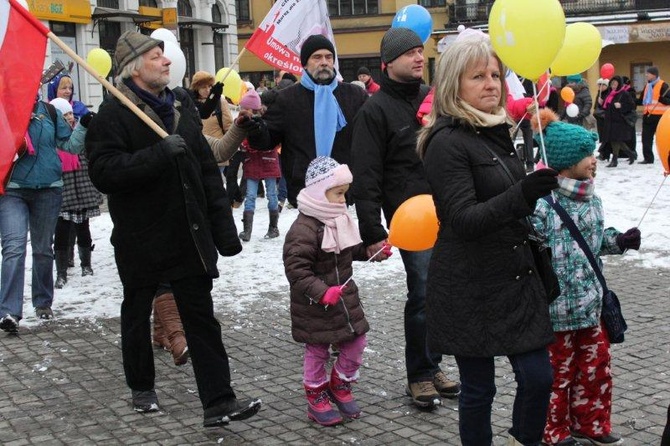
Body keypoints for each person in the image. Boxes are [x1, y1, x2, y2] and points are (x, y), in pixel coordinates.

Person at [85, 31, 261, 425]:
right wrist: (155, 155)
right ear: (133, 67)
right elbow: (103, 171)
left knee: (201, 318)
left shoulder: (180, 104)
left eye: (165, 55)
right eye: (155, 56)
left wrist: (223, 231)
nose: (166, 61)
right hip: (141, 236)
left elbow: (203, 166)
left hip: (187, 233)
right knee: (136, 313)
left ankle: (219, 402)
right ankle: (142, 386)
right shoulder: (114, 114)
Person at [415, 34, 557, 445]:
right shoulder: (446, 142)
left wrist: (533, 192)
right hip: (470, 285)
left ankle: (526, 437)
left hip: (514, 278)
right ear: (453, 84)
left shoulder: (494, 131)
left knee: (538, 377)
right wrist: (522, 194)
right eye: (478, 76)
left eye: (495, 74)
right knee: (480, 391)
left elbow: (509, 202)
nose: (491, 84)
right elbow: (462, 219)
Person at [351, 27, 460, 409]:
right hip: (411, 219)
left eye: (421, 51)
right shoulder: (374, 110)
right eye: (410, 52)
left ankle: (435, 364)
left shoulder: (434, 98)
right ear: (389, 61)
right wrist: (372, 231)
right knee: (423, 292)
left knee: (446, 292)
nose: (419, 58)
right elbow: (365, 176)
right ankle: (419, 374)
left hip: (450, 209)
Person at [529, 109, 640, 446]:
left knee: (596, 371)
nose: (594, 160)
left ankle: (591, 423)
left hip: (591, 308)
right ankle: (555, 430)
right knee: (558, 376)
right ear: (565, 162)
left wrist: (617, 240)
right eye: (587, 155)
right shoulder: (542, 205)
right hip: (556, 313)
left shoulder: (593, 199)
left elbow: (592, 242)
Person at [283, 156, 388, 426]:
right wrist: (321, 292)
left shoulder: (339, 219)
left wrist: (370, 251)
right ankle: (315, 395)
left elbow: (349, 250)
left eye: (344, 194)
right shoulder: (303, 229)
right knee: (317, 351)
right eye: (338, 194)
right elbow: (297, 270)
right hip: (315, 305)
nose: (343, 200)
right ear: (321, 191)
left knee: (357, 342)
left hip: (344, 301)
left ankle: (340, 384)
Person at [0, 96, 89, 332]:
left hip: (49, 189)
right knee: (13, 248)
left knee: (42, 249)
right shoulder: (4, 109)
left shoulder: (49, 112)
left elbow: (70, 146)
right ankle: (9, 311)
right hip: (13, 190)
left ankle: (42, 302)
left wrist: (83, 125)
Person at [247, 34, 368, 207]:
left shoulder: (354, 96)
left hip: (344, 191)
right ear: (305, 63)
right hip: (304, 191)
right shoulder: (287, 99)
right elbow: (267, 141)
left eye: (328, 57)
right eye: (317, 57)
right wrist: (256, 129)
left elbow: (368, 140)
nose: (324, 62)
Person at [49, 98, 103, 287]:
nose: (69, 118)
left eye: (70, 113)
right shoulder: (54, 137)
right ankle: (61, 272)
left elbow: (88, 153)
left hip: (82, 186)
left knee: (84, 228)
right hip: (64, 190)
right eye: (64, 115)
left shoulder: (79, 133)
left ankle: (86, 264)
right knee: (61, 231)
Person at [237, 89, 281, 241]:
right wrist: (246, 146)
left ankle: (273, 227)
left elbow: (275, 139)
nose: (246, 110)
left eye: (248, 108)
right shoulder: (242, 122)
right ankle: (247, 230)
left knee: (272, 194)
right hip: (252, 163)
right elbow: (239, 139)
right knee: (250, 196)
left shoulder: (269, 120)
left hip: (268, 161)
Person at [602, 76, 637, 168]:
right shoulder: (610, 93)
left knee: (615, 140)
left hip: (619, 121)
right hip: (610, 121)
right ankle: (630, 154)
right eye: (612, 84)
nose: (613, 86)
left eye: (615, 84)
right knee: (615, 140)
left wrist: (621, 105)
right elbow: (606, 106)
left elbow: (632, 105)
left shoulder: (624, 93)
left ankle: (615, 160)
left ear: (619, 84)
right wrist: (601, 102)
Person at [637, 66, 670, 164]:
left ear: (654, 75)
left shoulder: (664, 85)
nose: (646, 75)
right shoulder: (647, 86)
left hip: (660, 117)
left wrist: (663, 100)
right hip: (648, 115)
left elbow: (669, 100)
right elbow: (641, 100)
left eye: (648, 73)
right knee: (646, 138)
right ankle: (648, 158)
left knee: (663, 139)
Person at [594, 77, 611, 159]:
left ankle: (604, 154)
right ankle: (603, 153)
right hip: (599, 118)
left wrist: (602, 102)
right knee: (601, 136)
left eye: (603, 85)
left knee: (605, 137)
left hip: (605, 118)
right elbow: (596, 105)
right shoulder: (599, 93)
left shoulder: (608, 93)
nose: (600, 86)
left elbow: (607, 106)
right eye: (599, 85)